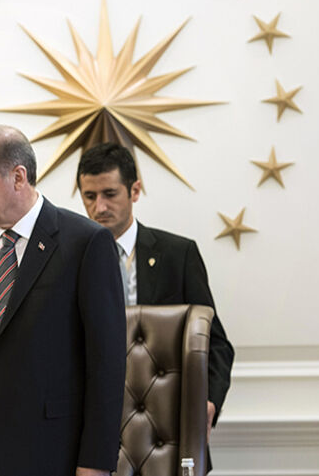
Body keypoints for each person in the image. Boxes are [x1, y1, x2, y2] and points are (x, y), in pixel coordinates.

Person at [0, 126, 126, 476]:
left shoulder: (86, 243)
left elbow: (106, 367)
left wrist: (95, 462)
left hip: (48, 453)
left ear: (18, 177)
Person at [76, 142, 235, 471]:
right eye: (89, 196)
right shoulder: (70, 259)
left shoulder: (177, 254)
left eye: (109, 194)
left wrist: (209, 402)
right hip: (93, 428)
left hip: (168, 425)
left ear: (134, 190)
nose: (99, 207)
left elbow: (216, 343)